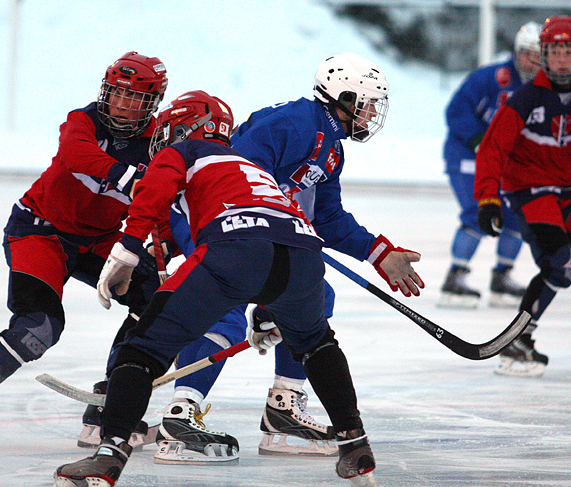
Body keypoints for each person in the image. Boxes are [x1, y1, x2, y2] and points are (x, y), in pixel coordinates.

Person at [54, 89, 421, 487]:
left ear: (186, 128)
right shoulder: (259, 158)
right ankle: (355, 445)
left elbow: (153, 193)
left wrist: (125, 252)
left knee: (143, 349)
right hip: (300, 251)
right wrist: (267, 310)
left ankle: (112, 453)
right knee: (317, 343)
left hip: (235, 247)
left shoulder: (188, 151)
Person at [0, 52, 169, 448]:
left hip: (100, 238)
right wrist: (130, 176)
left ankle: (110, 408)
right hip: (41, 230)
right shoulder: (82, 120)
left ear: (153, 104)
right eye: (117, 94)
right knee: (39, 326)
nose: (122, 105)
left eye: (135, 99)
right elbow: (77, 154)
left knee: (158, 302)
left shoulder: (159, 142)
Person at [474, 16, 571, 378]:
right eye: (554, 52)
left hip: (567, 191)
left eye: (568, 52)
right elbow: (491, 150)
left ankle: (519, 339)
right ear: (544, 56)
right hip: (530, 191)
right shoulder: (525, 99)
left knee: (562, 269)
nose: (562, 60)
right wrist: (488, 199)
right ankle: (519, 339)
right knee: (561, 259)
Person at [439, 21, 542, 308]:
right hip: (468, 156)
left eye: (538, 54)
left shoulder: (546, 88)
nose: (531, 60)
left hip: (506, 161)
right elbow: (456, 110)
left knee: (518, 215)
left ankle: (502, 277)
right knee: (478, 210)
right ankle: (455, 277)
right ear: (516, 52)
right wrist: (479, 140)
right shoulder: (490, 78)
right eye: (527, 53)